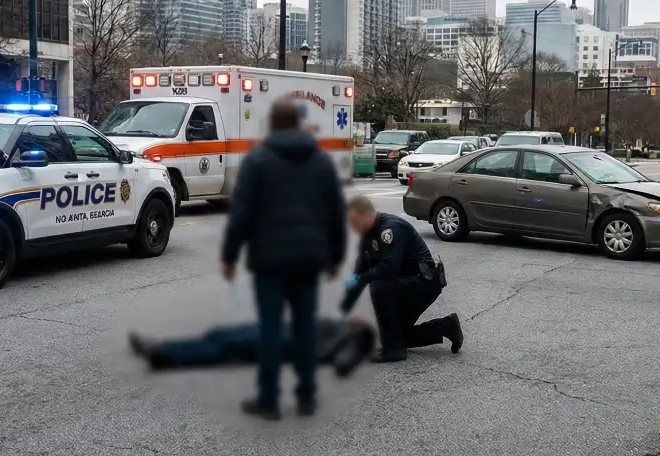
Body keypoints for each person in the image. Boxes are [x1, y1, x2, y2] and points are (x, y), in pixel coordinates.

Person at [220, 99, 347, 420]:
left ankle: (269, 400)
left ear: (273, 124)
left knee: (271, 330)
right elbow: (335, 213)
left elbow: (242, 214)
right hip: (308, 259)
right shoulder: (320, 161)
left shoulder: (258, 160)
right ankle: (306, 396)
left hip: (270, 260)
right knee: (305, 328)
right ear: (299, 124)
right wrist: (336, 256)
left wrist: (229, 255)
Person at [340, 195, 463, 363]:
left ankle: (394, 350)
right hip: (407, 284)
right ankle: (446, 326)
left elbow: (389, 268)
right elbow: (361, 270)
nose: (353, 227)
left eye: (355, 221)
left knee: (379, 286)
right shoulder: (367, 235)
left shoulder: (390, 229)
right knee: (399, 334)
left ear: (368, 214)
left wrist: (362, 277)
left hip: (424, 283)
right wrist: (344, 308)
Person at [128, 319, 376, 378]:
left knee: (223, 346)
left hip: (284, 342)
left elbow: (343, 363)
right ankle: (160, 346)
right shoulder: (341, 326)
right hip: (279, 329)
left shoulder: (353, 337)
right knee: (219, 335)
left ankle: (162, 355)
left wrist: (346, 344)